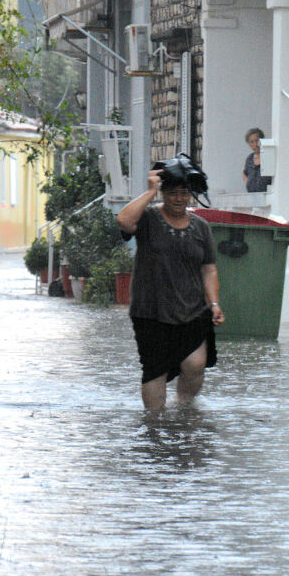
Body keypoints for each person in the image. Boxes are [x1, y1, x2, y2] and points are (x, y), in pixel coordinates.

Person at [116, 156, 225, 410]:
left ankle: (184, 410)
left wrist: (215, 303)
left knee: (196, 364)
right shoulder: (149, 220)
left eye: (184, 193)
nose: (179, 198)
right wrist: (150, 191)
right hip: (151, 311)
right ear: (164, 193)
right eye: (173, 193)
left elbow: (208, 269)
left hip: (193, 309)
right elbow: (123, 221)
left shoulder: (201, 227)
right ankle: (154, 424)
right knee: (156, 369)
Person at [242, 127, 271, 192]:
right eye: (252, 142)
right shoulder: (250, 158)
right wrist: (248, 184)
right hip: (252, 196)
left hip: (266, 196)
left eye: (257, 140)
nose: (255, 144)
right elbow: (244, 172)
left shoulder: (268, 156)